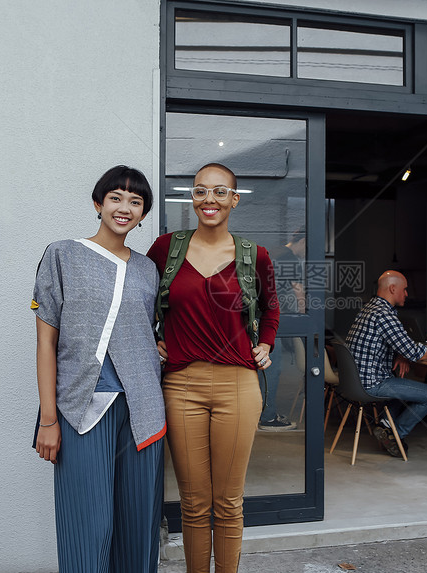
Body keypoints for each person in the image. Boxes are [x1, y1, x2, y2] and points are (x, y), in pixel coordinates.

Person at [147, 163, 279, 573]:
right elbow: (137, 301)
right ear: (193, 198)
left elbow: (272, 306)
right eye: (201, 191)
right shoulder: (165, 249)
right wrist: (150, 341)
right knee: (194, 501)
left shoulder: (253, 255)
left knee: (228, 500)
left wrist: (266, 344)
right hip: (181, 386)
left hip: (238, 385)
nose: (210, 200)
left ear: (234, 200)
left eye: (220, 192)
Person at [32, 165, 165, 573]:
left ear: (143, 215)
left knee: (139, 526)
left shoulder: (148, 269)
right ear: (98, 203)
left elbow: (146, 331)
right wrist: (48, 420)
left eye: (136, 202)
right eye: (116, 198)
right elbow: (45, 342)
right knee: (88, 525)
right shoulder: (62, 254)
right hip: (80, 409)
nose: (124, 208)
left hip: (143, 411)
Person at [346, 270, 427, 456]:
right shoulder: (384, 315)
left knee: (399, 379)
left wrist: (400, 355)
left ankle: (387, 425)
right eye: (404, 290)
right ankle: (396, 434)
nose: (406, 294)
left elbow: (393, 345)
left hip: (354, 382)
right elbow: (415, 353)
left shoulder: (368, 309)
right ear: (392, 288)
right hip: (373, 384)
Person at [257, 228, 305, 431]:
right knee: (272, 368)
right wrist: (304, 314)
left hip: (259, 317)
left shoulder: (274, 252)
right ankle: (267, 418)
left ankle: (261, 413)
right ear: (304, 242)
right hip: (276, 319)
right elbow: (297, 292)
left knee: (263, 368)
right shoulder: (291, 259)